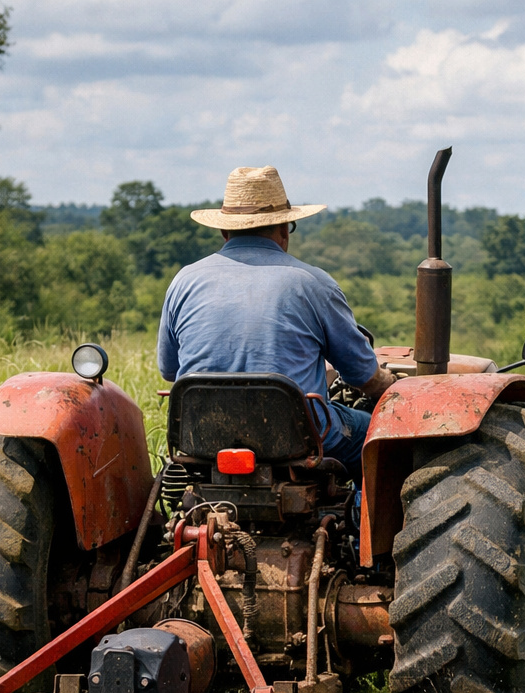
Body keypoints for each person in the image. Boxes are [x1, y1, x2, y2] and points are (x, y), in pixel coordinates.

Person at [157, 165, 394, 477]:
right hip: (296, 438)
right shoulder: (314, 283)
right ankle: (363, 520)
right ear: (285, 230)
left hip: (201, 435)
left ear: (224, 232)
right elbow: (362, 374)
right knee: (378, 436)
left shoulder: (183, 281)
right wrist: (389, 386)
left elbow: (170, 370)